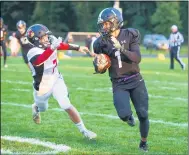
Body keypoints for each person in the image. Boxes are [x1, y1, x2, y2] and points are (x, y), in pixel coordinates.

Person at [92, 8, 149, 151]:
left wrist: (121, 48)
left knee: (143, 114)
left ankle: (143, 142)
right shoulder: (100, 42)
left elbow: (137, 58)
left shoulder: (130, 34)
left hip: (136, 80)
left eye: (106, 23)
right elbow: (100, 63)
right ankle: (128, 117)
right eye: (102, 24)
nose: (104, 27)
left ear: (116, 22)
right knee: (123, 115)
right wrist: (99, 67)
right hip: (119, 83)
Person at [26, 24, 97, 140]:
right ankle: (36, 107)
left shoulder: (49, 45)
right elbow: (39, 60)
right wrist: (52, 48)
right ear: (36, 40)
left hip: (56, 78)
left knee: (65, 104)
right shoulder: (33, 51)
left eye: (46, 36)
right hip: (42, 86)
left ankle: (84, 131)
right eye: (43, 37)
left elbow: (61, 45)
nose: (46, 39)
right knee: (43, 108)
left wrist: (78, 48)